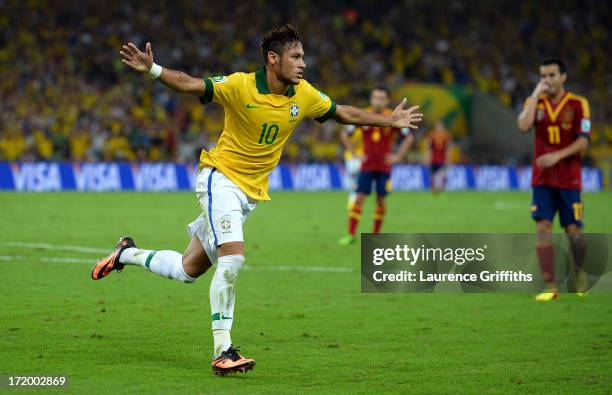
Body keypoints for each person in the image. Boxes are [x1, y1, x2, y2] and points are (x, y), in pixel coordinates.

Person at [92, 24, 423, 375]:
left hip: (248, 194)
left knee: (187, 271)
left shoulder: (304, 95)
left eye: (303, 57)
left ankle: (125, 253)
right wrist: (153, 70)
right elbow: (191, 84)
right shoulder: (240, 85)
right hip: (221, 181)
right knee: (232, 259)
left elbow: (345, 113)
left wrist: (388, 121)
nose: (303, 64)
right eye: (295, 57)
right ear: (272, 59)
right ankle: (224, 350)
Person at [517, 59, 590, 301]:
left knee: (573, 231)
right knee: (542, 227)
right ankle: (550, 285)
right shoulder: (535, 101)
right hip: (542, 179)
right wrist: (535, 95)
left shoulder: (578, 104)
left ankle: (579, 272)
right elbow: (524, 126)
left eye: (551, 75)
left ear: (563, 77)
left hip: (569, 179)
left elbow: (584, 141)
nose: (546, 80)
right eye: (543, 76)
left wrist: (556, 156)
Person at [338, 86, 415, 245]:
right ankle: (351, 234)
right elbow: (345, 134)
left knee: (381, 201)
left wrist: (398, 156)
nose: (377, 101)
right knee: (359, 199)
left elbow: (408, 138)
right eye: (375, 98)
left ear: (387, 101)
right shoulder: (363, 114)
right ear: (371, 99)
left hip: (384, 167)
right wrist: (355, 153)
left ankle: (375, 236)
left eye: (381, 98)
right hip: (366, 166)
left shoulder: (392, 117)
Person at [427, 120, 451, 193]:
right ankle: (434, 189)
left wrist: (448, 159)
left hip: (441, 159)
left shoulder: (446, 136)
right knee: (433, 174)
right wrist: (428, 158)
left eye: (439, 126)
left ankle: (440, 187)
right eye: (437, 126)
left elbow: (447, 149)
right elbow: (429, 149)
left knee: (441, 173)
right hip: (433, 159)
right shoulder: (432, 136)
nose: (438, 127)